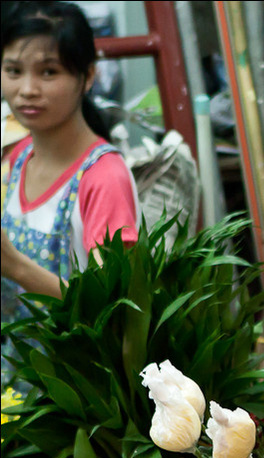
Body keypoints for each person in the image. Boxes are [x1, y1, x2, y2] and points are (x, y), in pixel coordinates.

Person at [1, 1, 139, 387]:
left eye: (49, 72)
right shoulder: (17, 159)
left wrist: (15, 266)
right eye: (13, 70)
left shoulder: (103, 178)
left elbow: (109, 310)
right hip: (17, 383)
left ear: (88, 76)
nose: (27, 90)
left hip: (77, 406)